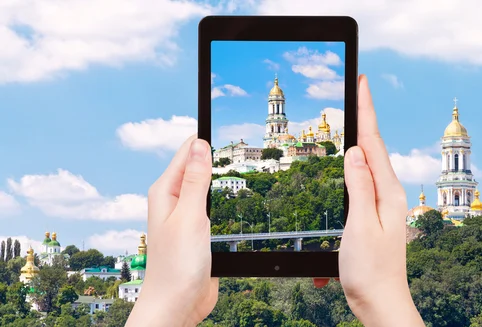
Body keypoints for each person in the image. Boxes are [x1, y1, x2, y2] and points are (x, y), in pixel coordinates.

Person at [125, 75, 425, 326]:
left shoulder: (292, 145)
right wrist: (384, 300)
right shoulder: (270, 144)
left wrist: (168, 309)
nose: (276, 113)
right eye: (275, 107)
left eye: (277, 107)